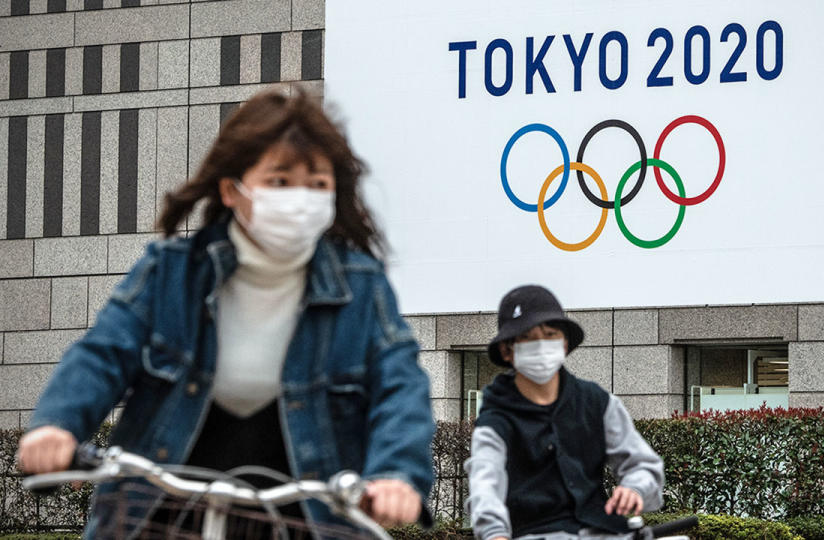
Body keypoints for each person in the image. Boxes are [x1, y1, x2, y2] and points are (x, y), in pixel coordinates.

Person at [17, 85, 435, 536]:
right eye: (279, 181)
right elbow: (103, 353)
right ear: (231, 191)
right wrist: (57, 427)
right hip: (161, 512)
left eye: (317, 185)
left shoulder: (360, 284)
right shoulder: (172, 271)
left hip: (305, 517)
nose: (299, 200)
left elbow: (400, 383)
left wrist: (397, 474)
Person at [465, 285, 664, 540]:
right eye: (528, 337)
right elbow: (485, 482)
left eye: (550, 334)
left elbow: (642, 464)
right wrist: (494, 533)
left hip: (605, 532)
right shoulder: (495, 420)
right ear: (507, 350)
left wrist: (635, 489)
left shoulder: (597, 402)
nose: (541, 345)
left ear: (565, 343)